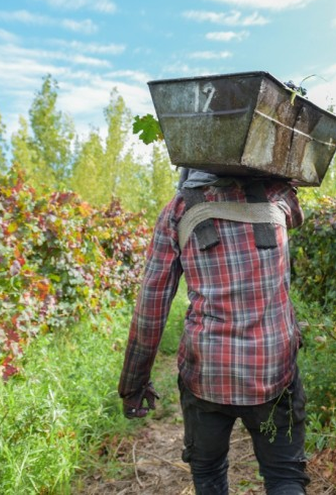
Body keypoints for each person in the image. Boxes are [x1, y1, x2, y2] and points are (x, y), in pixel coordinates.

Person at [118, 168, 309, 494]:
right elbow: (297, 214)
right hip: (272, 371)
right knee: (284, 477)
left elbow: (151, 307)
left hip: (206, 373)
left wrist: (133, 383)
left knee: (208, 472)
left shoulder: (178, 210)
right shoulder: (277, 195)